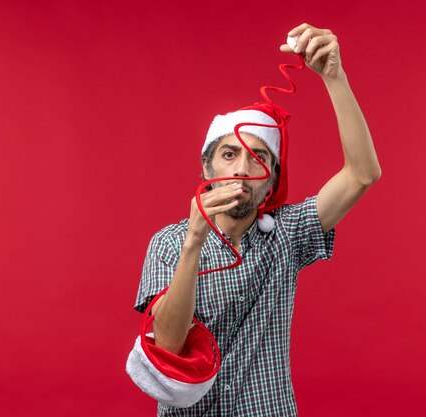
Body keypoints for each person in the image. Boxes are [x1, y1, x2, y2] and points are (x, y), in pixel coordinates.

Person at [130, 23, 381, 416]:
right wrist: (194, 241)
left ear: (272, 181)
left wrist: (334, 77)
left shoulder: (287, 235)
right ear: (206, 168)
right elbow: (168, 345)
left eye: (259, 157)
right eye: (229, 155)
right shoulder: (168, 243)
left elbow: (362, 174)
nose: (243, 168)